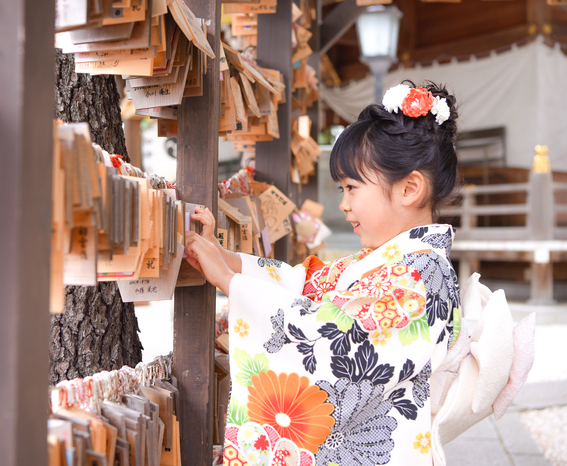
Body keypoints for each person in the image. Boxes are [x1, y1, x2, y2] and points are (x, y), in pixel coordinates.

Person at [186, 81, 461, 466]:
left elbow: (343, 346)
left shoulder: (423, 273)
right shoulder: (389, 262)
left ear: (409, 188)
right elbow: (303, 284)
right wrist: (226, 259)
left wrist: (232, 284)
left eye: (351, 188)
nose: (344, 205)